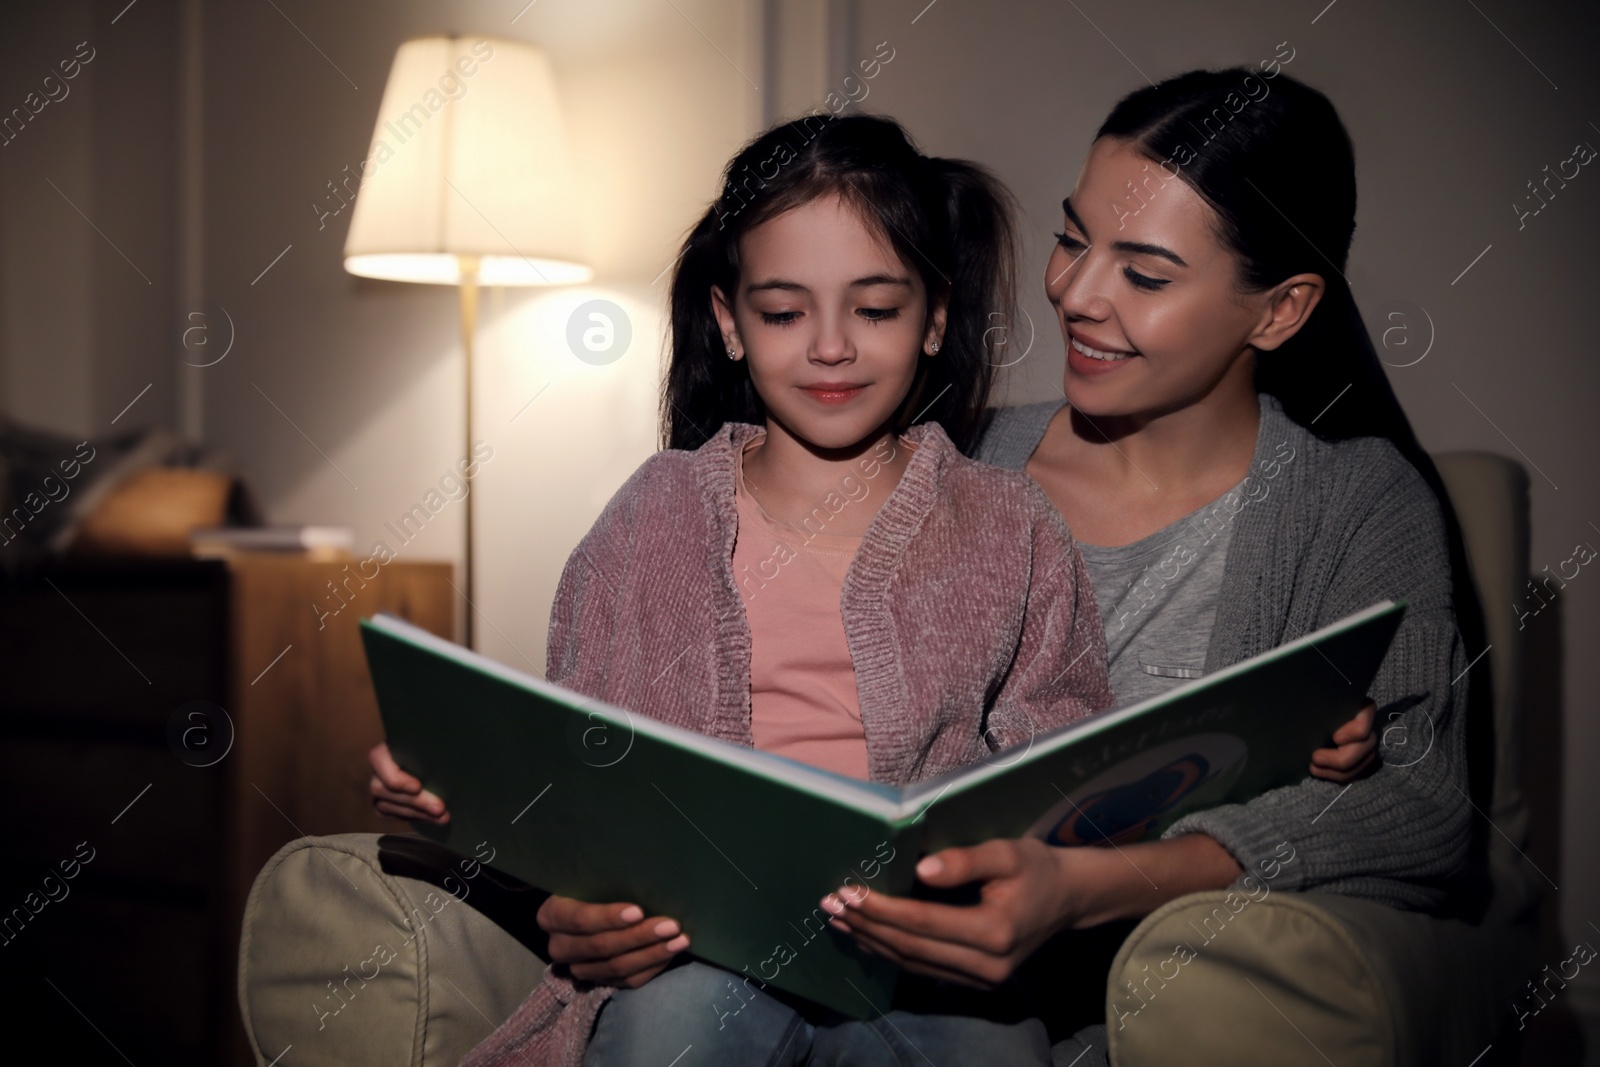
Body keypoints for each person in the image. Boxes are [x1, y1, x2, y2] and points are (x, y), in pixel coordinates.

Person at [370, 104, 1384, 1064]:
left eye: (875, 306)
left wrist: (1287, 749)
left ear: (935, 317)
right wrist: (462, 799)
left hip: (925, 960)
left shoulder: (1006, 521)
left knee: (984, 1045)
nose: (829, 346)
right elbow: (581, 763)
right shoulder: (654, 513)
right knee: (667, 1030)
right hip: (698, 951)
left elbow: (1069, 764)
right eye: (782, 310)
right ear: (729, 323)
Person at [818, 69, 1487, 1063]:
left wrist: (1101, 884)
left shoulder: (1352, 505)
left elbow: (1421, 812)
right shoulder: (942, 461)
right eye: (1072, 238)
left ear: (1278, 310)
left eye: (1144, 272)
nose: (1075, 293)